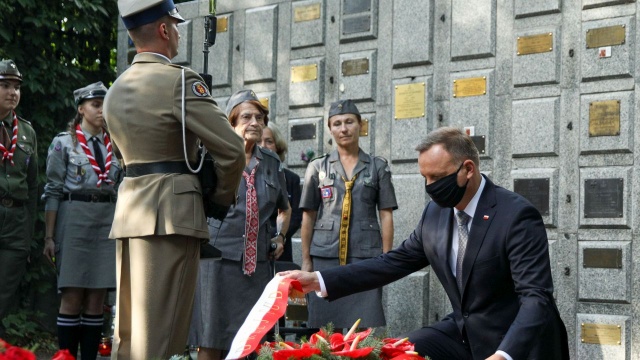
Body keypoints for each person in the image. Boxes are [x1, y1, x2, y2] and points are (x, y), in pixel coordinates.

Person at [281, 126, 569, 360]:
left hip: (518, 342)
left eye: (437, 177)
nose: (430, 187)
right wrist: (317, 280)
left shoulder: (516, 215)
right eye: (424, 177)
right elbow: (393, 262)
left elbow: (536, 298)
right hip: (464, 330)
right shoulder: (436, 212)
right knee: (405, 351)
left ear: (467, 169)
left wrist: (503, 355)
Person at [103, 0, 245, 358]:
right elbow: (232, 150)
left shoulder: (115, 91)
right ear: (164, 30)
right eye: (176, 25)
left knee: (130, 336)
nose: (179, 32)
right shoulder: (179, 81)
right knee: (161, 337)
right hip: (172, 215)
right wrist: (218, 198)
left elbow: (125, 156)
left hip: (130, 212)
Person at [189, 89, 291, 360]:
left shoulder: (271, 162)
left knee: (254, 340)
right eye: (246, 117)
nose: (255, 122)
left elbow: (284, 208)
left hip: (256, 267)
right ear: (231, 122)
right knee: (211, 340)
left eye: (259, 117)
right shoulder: (210, 157)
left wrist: (280, 236)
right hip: (216, 262)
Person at [299, 99, 397, 331]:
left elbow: (386, 215)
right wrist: (306, 260)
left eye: (349, 122)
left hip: (366, 257)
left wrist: (387, 258)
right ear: (330, 129)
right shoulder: (318, 167)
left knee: (364, 328)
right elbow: (308, 217)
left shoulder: (377, 167)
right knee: (325, 328)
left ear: (361, 125)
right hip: (325, 256)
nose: (344, 128)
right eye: (337, 123)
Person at [42, 82, 122, 360]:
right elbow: (52, 190)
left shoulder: (116, 145)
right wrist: (49, 237)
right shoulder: (63, 144)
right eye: (96, 105)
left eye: (105, 105)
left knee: (96, 298)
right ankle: (66, 356)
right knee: (72, 295)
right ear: (81, 109)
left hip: (105, 221)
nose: (102, 110)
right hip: (74, 218)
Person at [0, 59, 38, 337]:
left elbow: (34, 185)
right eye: (4, 86)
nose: (12, 92)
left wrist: (27, 235)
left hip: (15, 223)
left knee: (4, 293)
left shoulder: (26, 132)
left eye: (16, 87)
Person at [260, 124, 302, 263]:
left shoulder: (291, 179)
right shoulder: (242, 177)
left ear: (278, 146)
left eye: (269, 141)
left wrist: (278, 236)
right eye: (258, 141)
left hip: (280, 249)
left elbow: (295, 216)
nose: (263, 146)